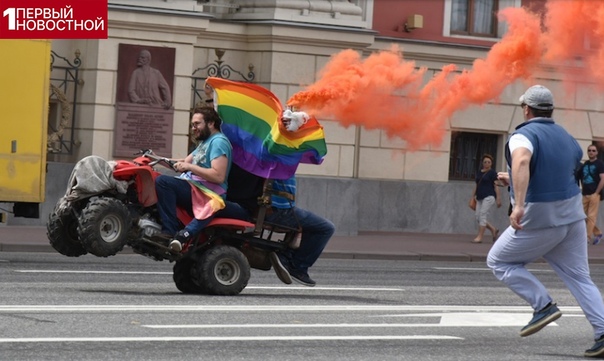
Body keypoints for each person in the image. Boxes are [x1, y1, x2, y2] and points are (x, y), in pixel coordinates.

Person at [486, 85, 604, 358]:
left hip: (541, 218)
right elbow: (557, 170)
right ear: (550, 110)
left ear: (526, 109)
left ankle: (543, 306)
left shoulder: (522, 135)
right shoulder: (567, 137)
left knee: (499, 261)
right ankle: (602, 331)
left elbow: (523, 162)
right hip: (573, 217)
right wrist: (512, 182)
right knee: (580, 277)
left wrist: (519, 206)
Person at [263, 111, 335, 287]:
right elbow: (313, 154)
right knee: (326, 228)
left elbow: (314, 156)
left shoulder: (277, 150)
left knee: (308, 223)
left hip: (275, 209)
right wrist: (289, 126)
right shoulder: (280, 150)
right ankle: (297, 266)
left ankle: (287, 255)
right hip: (279, 211)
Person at [155, 107, 232, 252]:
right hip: (194, 186)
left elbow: (218, 176)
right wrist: (155, 159)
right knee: (160, 178)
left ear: (210, 123)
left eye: (197, 124)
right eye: (192, 125)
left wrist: (189, 167)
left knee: (164, 183)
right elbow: (183, 162)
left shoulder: (218, 142)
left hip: (207, 192)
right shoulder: (205, 142)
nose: (193, 128)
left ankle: (169, 232)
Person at [471, 153, 501, 243]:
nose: (487, 163)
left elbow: (496, 186)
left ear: (491, 163)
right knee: (478, 217)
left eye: (489, 162)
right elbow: (476, 185)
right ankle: (493, 229)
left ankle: (480, 237)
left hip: (489, 196)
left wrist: (498, 198)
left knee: (482, 215)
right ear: (482, 163)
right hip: (479, 197)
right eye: (485, 162)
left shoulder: (492, 173)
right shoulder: (480, 172)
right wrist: (472, 197)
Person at [577, 144, 604, 245]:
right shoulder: (585, 164)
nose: (591, 152)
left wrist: (596, 193)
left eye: (593, 150)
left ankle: (587, 238)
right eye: (589, 150)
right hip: (585, 194)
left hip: (594, 194)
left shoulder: (599, 164)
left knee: (591, 216)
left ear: (597, 152)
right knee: (581, 216)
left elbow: (603, 178)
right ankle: (597, 233)